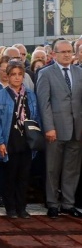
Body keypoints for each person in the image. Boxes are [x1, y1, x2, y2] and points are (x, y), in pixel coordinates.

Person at [36, 39, 82, 219]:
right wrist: (48, 127)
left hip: (76, 130)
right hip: (54, 129)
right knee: (52, 169)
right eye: (62, 52)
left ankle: (68, 204)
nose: (66, 54)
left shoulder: (79, 72)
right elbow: (43, 103)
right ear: (53, 54)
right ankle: (53, 203)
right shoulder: (45, 73)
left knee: (72, 168)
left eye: (69, 51)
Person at [0, 61, 40, 218]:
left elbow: (35, 117)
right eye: (13, 74)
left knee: (23, 176)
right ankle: (10, 207)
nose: (17, 78)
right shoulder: (0, 95)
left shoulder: (30, 95)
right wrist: (0, 141)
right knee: (10, 175)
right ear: (7, 76)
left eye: (20, 74)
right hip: (9, 139)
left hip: (26, 141)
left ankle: (22, 207)